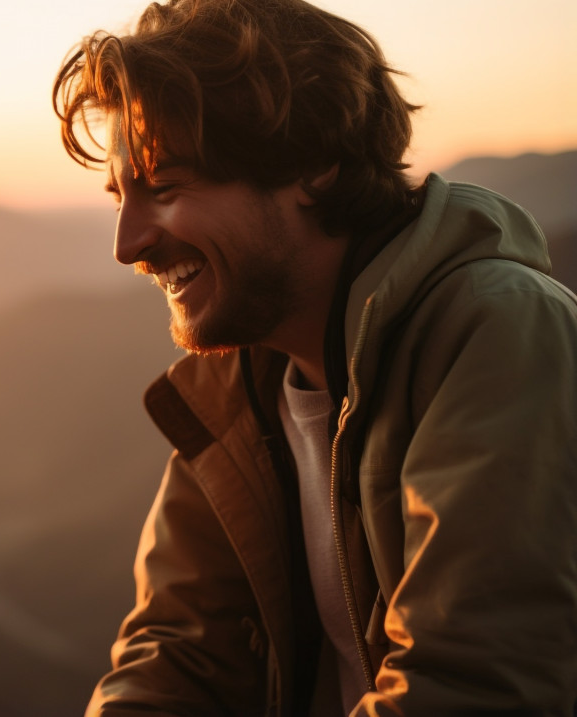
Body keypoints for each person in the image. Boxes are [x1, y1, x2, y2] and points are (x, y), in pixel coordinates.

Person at [52, 0, 577, 714]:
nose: (129, 243)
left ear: (313, 164)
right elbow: (178, 654)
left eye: (166, 187)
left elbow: (473, 687)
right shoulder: (243, 379)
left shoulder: (497, 330)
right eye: (121, 196)